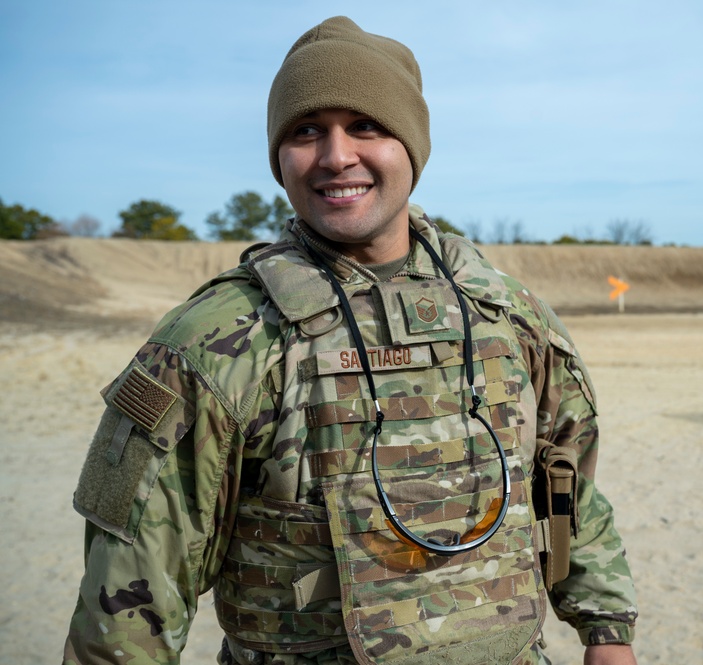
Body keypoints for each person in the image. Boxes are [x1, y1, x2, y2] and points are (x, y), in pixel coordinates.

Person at [63, 16, 638, 665]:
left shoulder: (506, 312)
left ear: (411, 146)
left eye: (365, 125)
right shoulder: (216, 338)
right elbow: (132, 587)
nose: (336, 156)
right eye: (306, 131)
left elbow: (563, 482)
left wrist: (607, 628)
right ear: (280, 157)